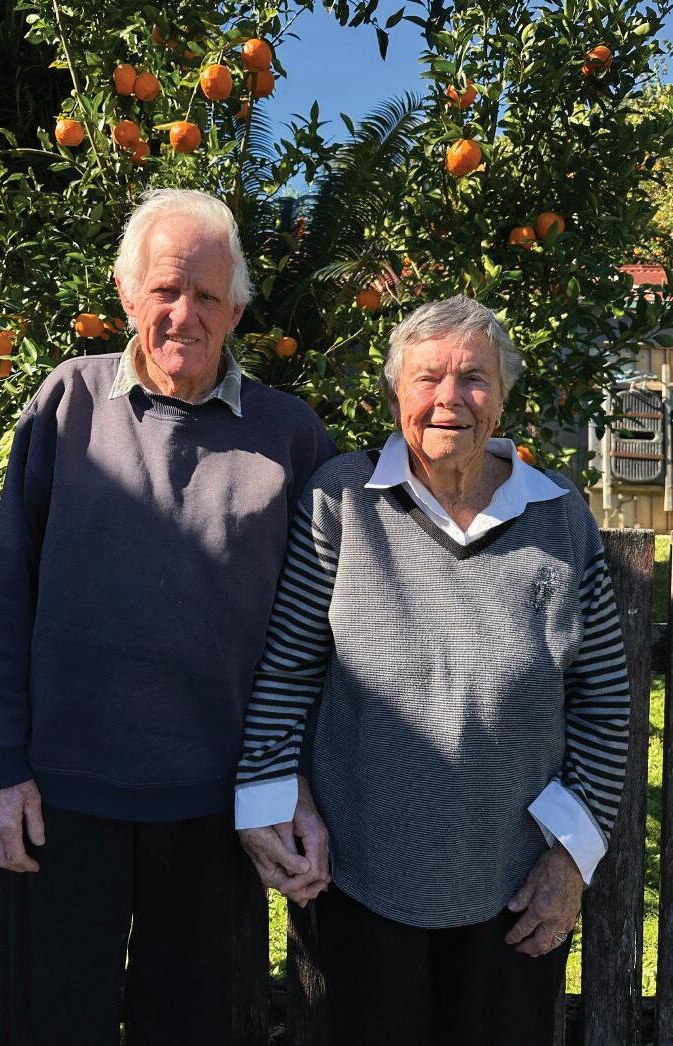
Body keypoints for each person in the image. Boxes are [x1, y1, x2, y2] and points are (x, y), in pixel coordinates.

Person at [0, 188, 334, 1046]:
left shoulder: (290, 436)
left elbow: (319, 634)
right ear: (127, 294)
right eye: (165, 289)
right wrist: (1, 767)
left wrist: (291, 781)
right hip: (60, 798)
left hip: (217, 808)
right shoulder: (67, 403)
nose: (183, 314)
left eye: (207, 295)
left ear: (236, 310)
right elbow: (8, 593)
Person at [235, 294, 630, 1045]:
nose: (449, 398)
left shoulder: (559, 516)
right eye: (427, 378)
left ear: (502, 395)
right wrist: (269, 795)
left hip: (514, 882)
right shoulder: (341, 501)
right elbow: (287, 670)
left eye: (474, 378)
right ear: (395, 395)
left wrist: (568, 862)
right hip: (357, 871)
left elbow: (603, 702)